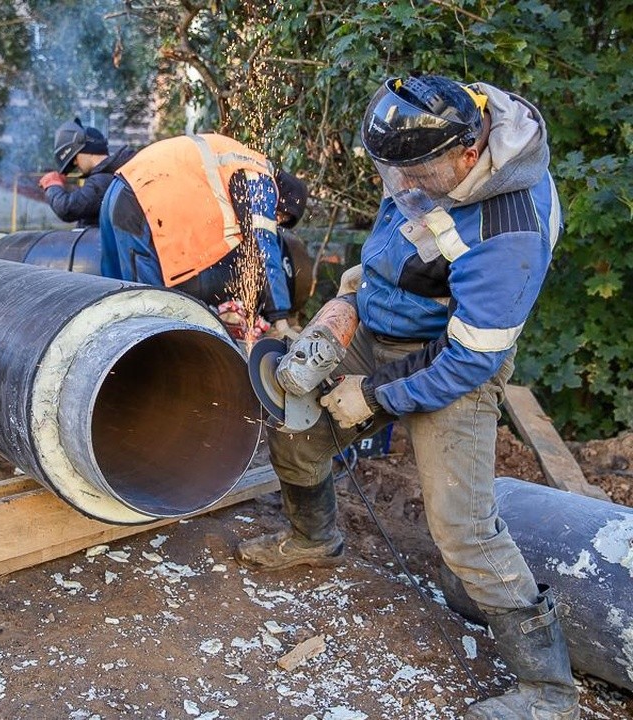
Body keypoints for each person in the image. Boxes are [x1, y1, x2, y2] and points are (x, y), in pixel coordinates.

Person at [236, 75, 575, 719]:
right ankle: (315, 539)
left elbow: (470, 359)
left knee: (462, 528)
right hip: (381, 320)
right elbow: (403, 233)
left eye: (414, 172)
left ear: (469, 156)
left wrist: (375, 397)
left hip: (451, 363)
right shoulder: (429, 137)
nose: (399, 185)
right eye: (392, 170)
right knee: (295, 421)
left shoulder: (511, 234)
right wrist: (348, 298)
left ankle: (548, 693)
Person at [97, 133, 308, 337]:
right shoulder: (259, 176)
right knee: (150, 317)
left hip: (121, 188)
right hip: (142, 199)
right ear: (282, 196)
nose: (276, 221)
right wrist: (280, 319)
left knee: (114, 304)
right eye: (280, 217)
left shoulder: (240, 159)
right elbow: (263, 246)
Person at [38, 118, 136, 227]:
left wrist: (52, 185)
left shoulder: (103, 180)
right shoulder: (113, 174)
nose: (75, 163)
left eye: (75, 157)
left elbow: (68, 209)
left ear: (87, 151)